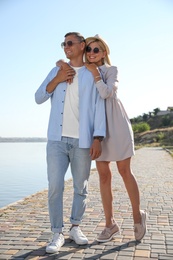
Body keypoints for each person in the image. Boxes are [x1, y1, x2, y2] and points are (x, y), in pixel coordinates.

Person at [56, 34, 147, 243]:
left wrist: (96, 73)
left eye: (96, 50)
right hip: (96, 129)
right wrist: (61, 62)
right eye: (89, 49)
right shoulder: (85, 71)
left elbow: (106, 93)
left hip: (117, 125)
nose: (91, 53)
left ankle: (137, 216)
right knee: (104, 176)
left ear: (104, 53)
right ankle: (110, 224)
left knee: (124, 171)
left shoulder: (110, 71)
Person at [35, 32, 106, 254]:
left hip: (82, 141)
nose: (65, 47)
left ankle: (76, 227)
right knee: (55, 187)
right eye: (63, 44)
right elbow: (38, 97)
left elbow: (99, 107)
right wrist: (57, 78)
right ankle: (57, 233)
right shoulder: (56, 70)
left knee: (80, 188)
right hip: (56, 141)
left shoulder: (92, 73)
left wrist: (97, 137)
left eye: (69, 43)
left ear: (81, 45)